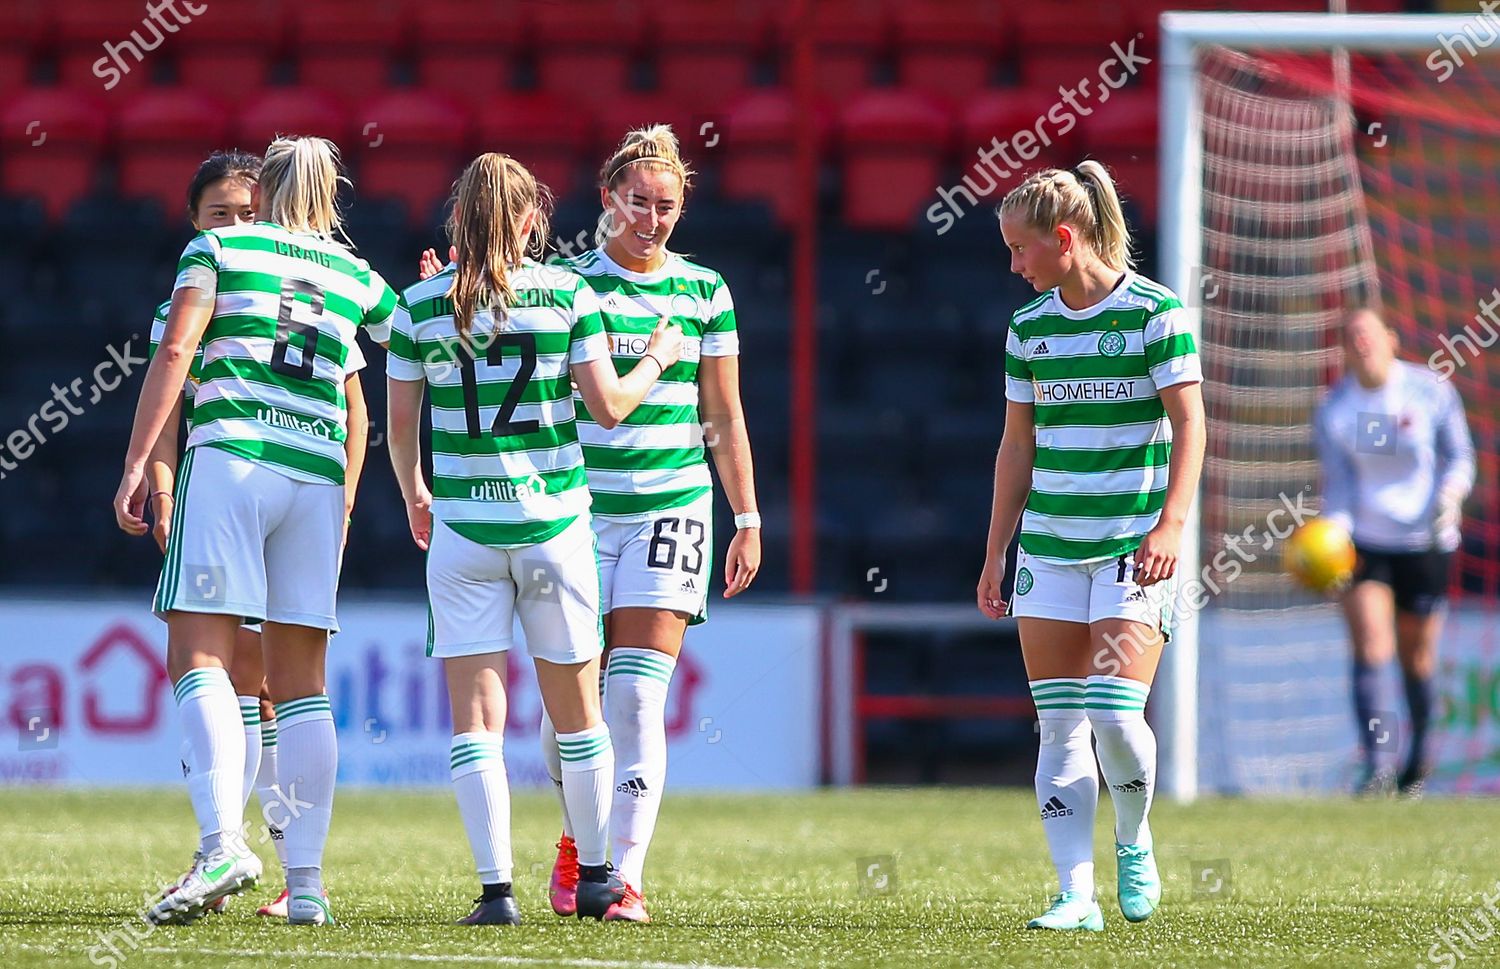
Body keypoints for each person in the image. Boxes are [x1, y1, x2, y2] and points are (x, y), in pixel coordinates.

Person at [386, 152, 682, 924]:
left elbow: (399, 425)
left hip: (464, 531)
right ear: (529, 220)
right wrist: (657, 353)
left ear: (459, 218)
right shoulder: (567, 294)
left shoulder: (419, 304)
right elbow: (610, 407)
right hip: (552, 527)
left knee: (475, 721)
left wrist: (416, 490)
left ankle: (495, 893)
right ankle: (593, 878)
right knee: (580, 715)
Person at [114, 136, 395, 926]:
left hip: (234, 459)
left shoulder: (216, 249)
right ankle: (304, 885)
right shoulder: (355, 273)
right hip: (315, 477)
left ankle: (220, 844)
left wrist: (139, 461)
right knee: (301, 684)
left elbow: (174, 349)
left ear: (266, 190)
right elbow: (410, 340)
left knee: (199, 653)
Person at [975, 163, 1205, 931]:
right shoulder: (1030, 327)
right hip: (1050, 545)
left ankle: (1133, 840)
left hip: (1131, 547)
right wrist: (996, 551)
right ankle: (1076, 892)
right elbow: (1016, 446)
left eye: (1019, 248)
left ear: (1063, 240)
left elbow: (1193, 424)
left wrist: (1172, 523)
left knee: (1113, 710)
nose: (1014, 265)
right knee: (1061, 721)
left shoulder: (1154, 314)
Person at [540, 124, 761, 923]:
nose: (653, 218)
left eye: (667, 206)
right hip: (572, 510)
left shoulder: (705, 291)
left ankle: (622, 875)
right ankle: (577, 844)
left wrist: (747, 514)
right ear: (608, 199)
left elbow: (725, 413)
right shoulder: (566, 286)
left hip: (671, 507)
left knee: (634, 699)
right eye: (638, 202)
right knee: (571, 708)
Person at [1313, 308, 1475, 797]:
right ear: (1344, 348)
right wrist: (1335, 531)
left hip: (1425, 542)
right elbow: (1339, 484)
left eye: (1367, 332)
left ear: (1391, 339)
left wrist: (1450, 496)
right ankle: (1377, 765)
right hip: (1367, 543)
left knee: (1417, 658)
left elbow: (1460, 456)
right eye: (1350, 336)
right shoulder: (1335, 408)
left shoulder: (1428, 390)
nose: (1360, 342)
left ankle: (1418, 760)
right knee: (1369, 645)